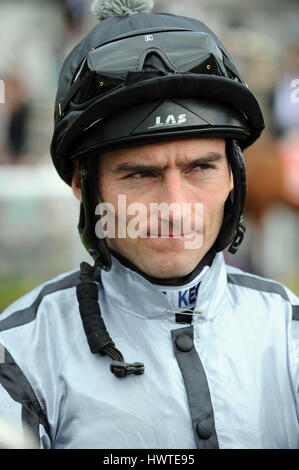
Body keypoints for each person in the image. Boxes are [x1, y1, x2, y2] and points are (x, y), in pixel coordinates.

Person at [0, 0, 298, 450]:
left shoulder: (289, 330)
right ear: (85, 185)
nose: (176, 208)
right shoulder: (19, 355)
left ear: (233, 178)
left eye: (201, 167)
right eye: (141, 174)